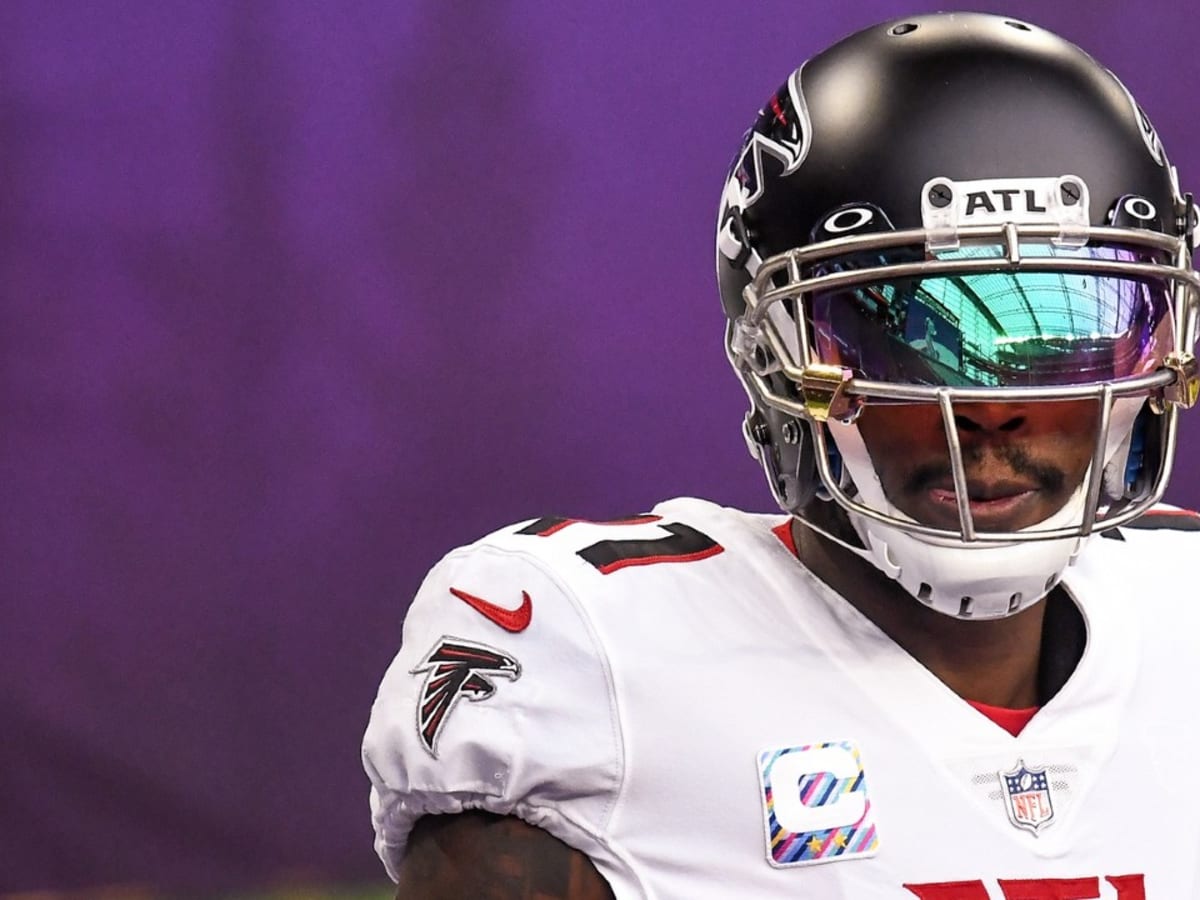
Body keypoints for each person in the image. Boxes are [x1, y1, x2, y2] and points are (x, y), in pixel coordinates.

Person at [363, 12, 1200, 897]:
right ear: (779, 360)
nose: (990, 410)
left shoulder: (1184, 609)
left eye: (1074, 329)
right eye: (905, 337)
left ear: (1158, 352)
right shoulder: (597, 661)